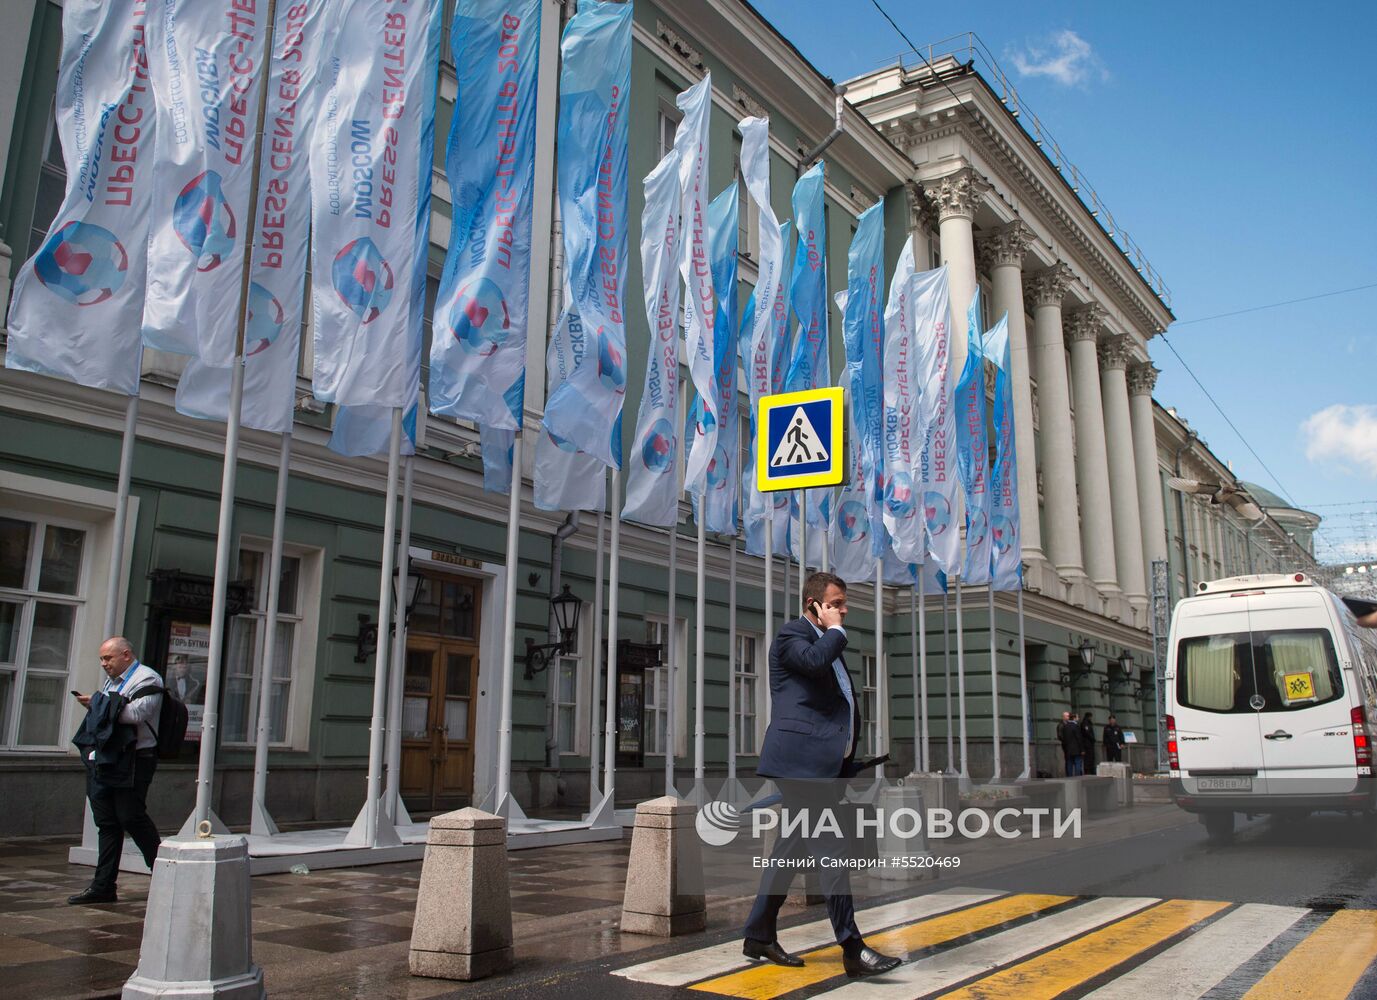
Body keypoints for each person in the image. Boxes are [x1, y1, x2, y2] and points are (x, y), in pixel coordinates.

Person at [741, 572, 902, 979]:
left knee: (790, 848)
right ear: (814, 604)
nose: (843, 609)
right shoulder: (793, 635)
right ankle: (852, 948)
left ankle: (759, 933)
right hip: (800, 766)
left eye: (843, 603)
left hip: (817, 768)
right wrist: (834, 630)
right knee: (832, 848)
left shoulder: (825, 639)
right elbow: (812, 664)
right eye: (836, 602)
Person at [69, 637, 163, 905]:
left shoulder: (148, 679)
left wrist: (96, 703)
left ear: (126, 654)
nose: (103, 664)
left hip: (136, 760)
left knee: (131, 817)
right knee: (107, 823)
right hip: (109, 758)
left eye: (107, 658)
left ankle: (165, 871)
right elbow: (112, 710)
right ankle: (103, 887)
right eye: (101, 659)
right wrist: (100, 703)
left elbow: (135, 714)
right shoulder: (114, 682)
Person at [1060, 708, 1085, 776]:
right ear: (1074, 718)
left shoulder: (1065, 726)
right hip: (1076, 749)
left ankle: (1070, 777)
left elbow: (1064, 738)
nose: (1078, 718)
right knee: (1077, 763)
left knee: (1069, 763)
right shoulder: (1076, 726)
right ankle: (1077, 777)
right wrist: (1082, 749)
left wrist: (1066, 748)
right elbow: (1079, 738)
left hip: (1068, 749)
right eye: (1077, 717)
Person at [1055, 711, 1073, 776]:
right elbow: (1060, 735)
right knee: (1068, 758)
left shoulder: (1067, 724)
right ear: (1063, 717)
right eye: (1067, 716)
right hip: (1065, 744)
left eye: (1068, 716)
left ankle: (1069, 773)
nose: (1068, 717)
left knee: (1069, 759)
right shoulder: (1061, 725)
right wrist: (1065, 741)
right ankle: (1068, 773)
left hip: (1069, 744)